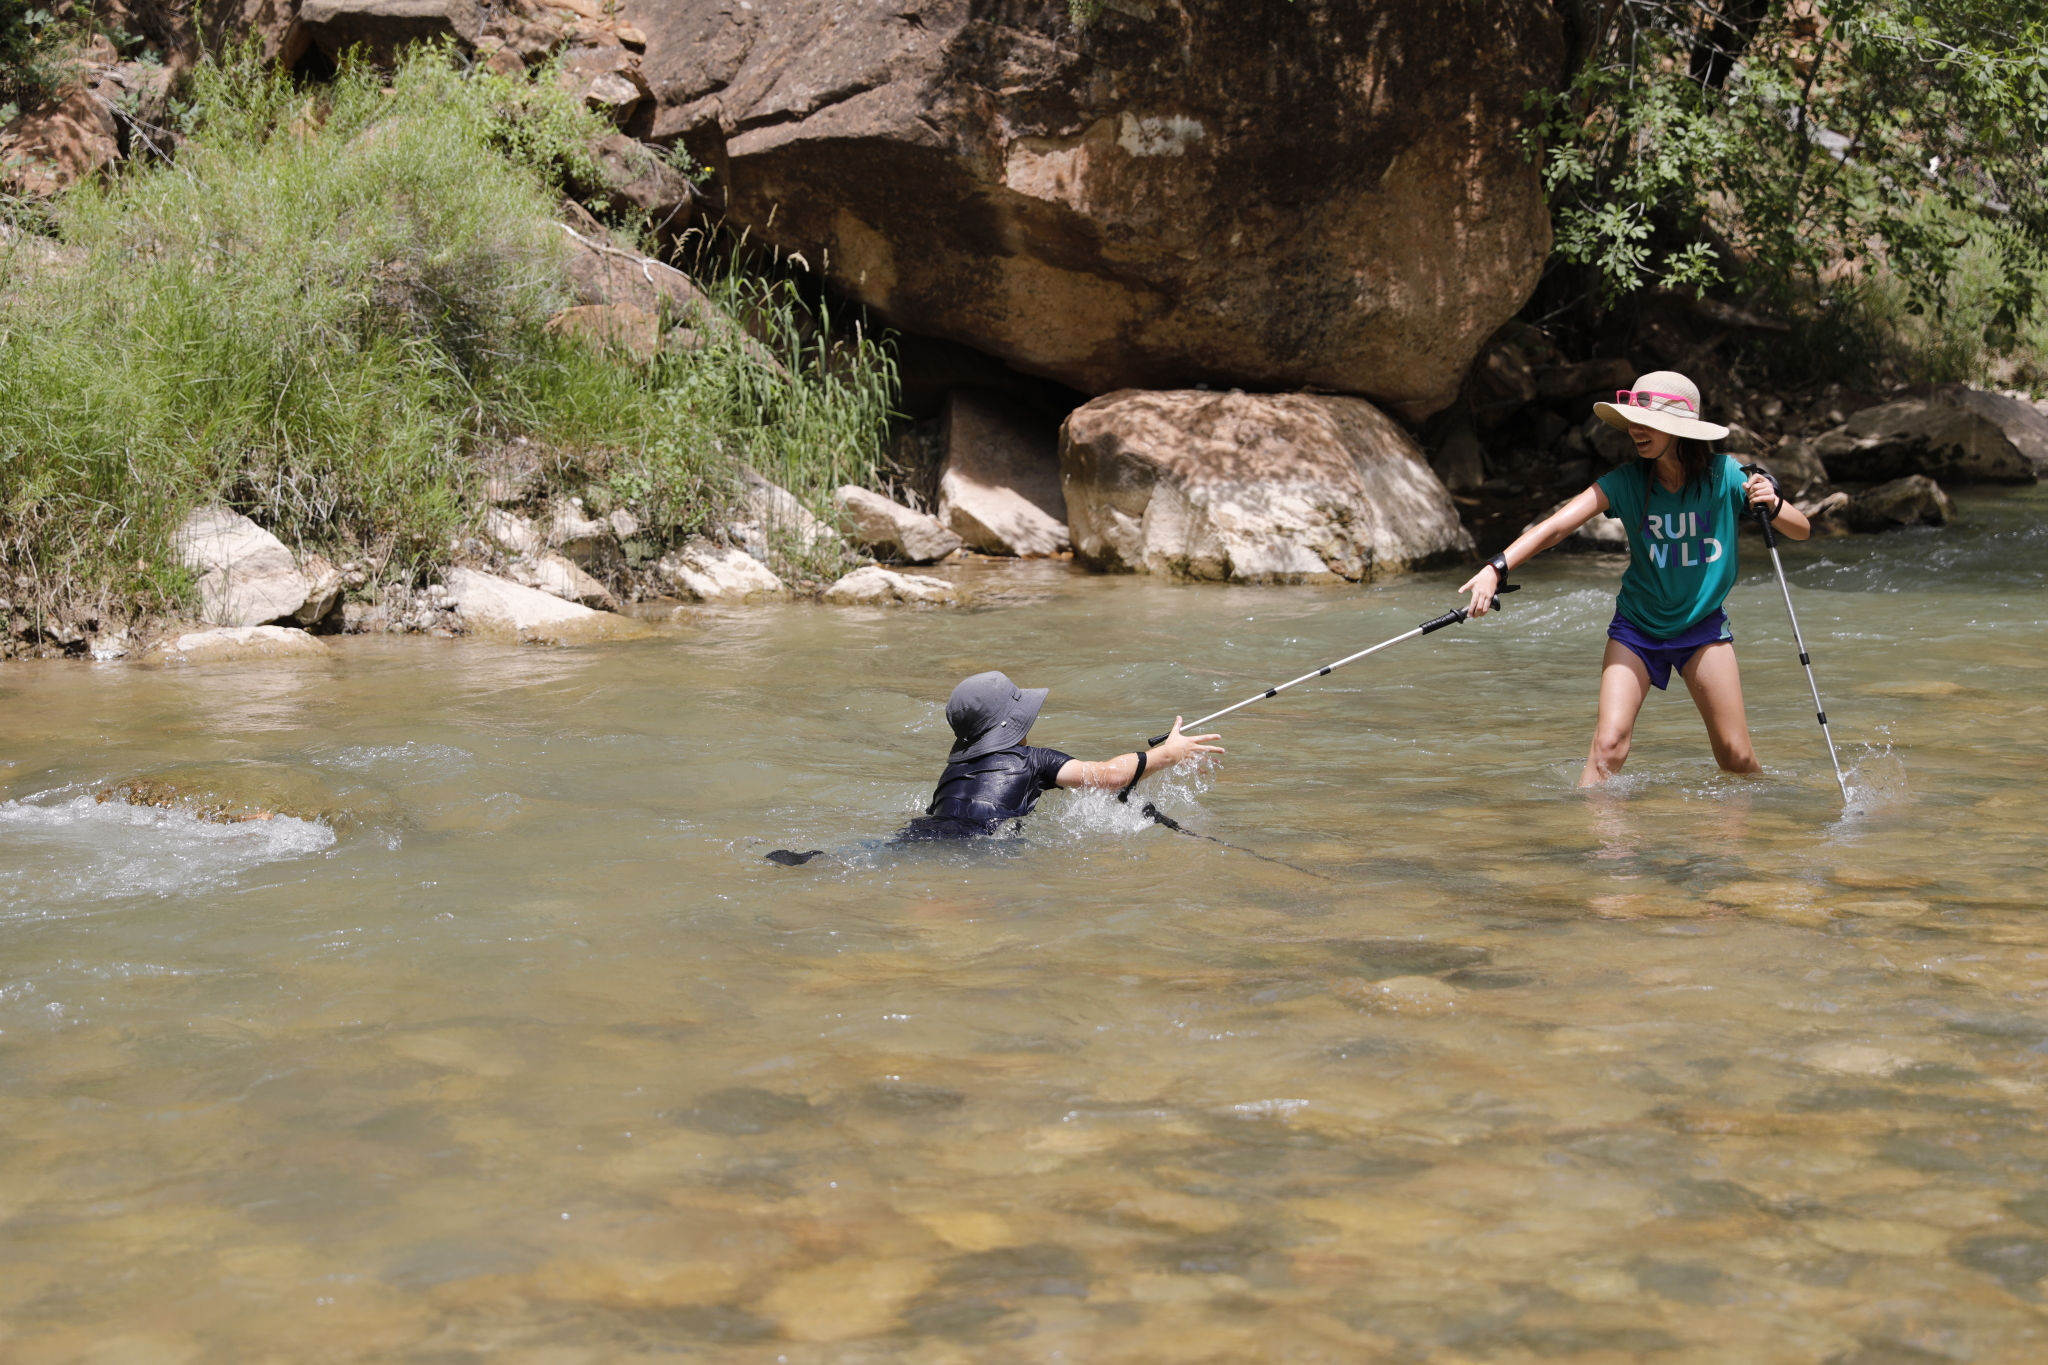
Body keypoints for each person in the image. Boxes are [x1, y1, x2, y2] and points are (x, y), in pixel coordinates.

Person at [1457, 370, 1811, 786]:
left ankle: (1755, 833)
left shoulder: (1726, 476)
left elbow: (1801, 530)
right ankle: (1599, 845)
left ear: (1679, 430)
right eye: (1632, 422)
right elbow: (1555, 527)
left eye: (1647, 423)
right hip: (1636, 628)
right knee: (1608, 747)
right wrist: (1494, 568)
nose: (1635, 430)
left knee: (1734, 756)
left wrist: (1773, 502)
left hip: (1702, 628)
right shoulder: (1626, 481)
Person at [897, 670, 1223, 840]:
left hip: (919, 834)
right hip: (975, 849)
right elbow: (1109, 776)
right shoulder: (1033, 759)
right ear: (1015, 722)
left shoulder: (952, 773)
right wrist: (1168, 754)